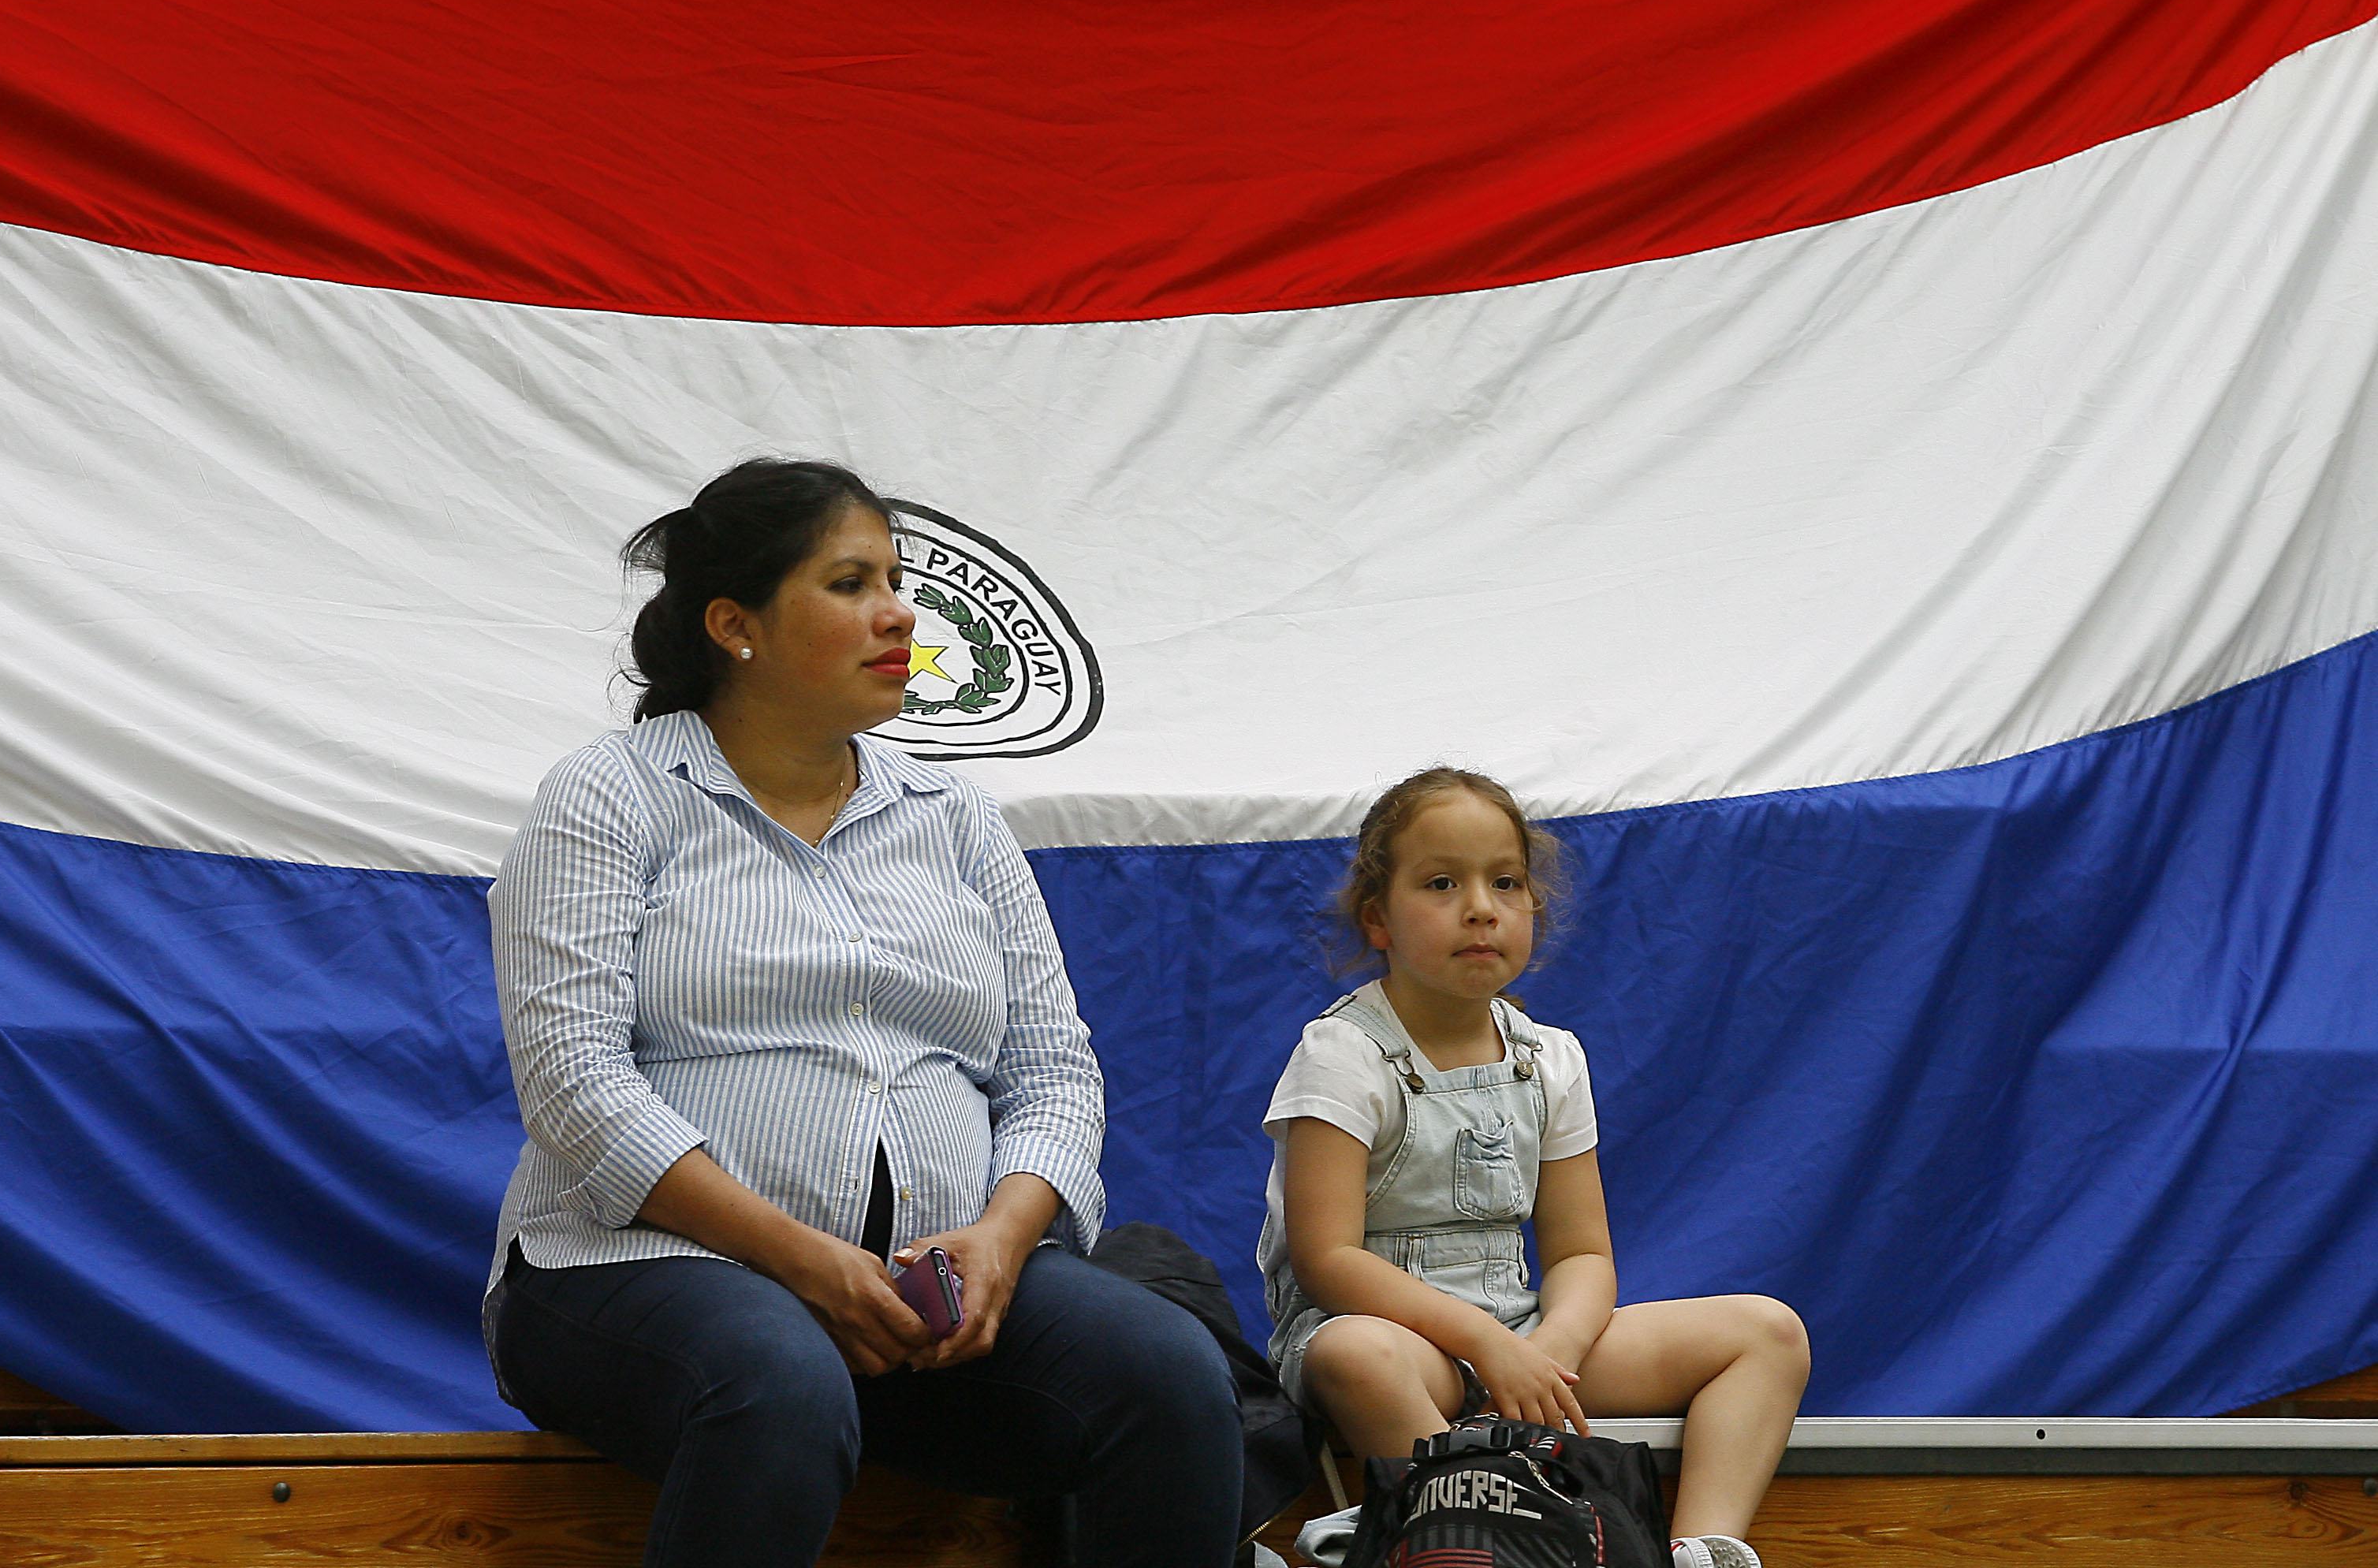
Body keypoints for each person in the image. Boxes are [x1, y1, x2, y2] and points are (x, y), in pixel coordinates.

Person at [483, 457, 1243, 1568]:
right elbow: (573, 1082)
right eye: (851, 583)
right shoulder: (609, 794)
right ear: (735, 625)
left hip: (928, 1308)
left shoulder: (957, 817)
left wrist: (1001, 1239)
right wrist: (802, 1260)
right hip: (628, 1273)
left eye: (895, 580)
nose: (900, 614)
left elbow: (1053, 1075)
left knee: (1171, 1376)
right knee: (779, 1379)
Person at [1259, 768, 1809, 1568]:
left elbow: (1582, 1252)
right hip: (1400, 1341)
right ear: (1377, 918)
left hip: (1518, 1331)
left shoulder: (1550, 1058)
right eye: (1441, 883)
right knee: (1357, 1356)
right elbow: (1328, 1259)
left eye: (1506, 882)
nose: (1480, 906)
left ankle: (1697, 1549)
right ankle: (1447, 1528)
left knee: (1768, 1333)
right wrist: (1486, 1345)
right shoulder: (1343, 1054)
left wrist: (1550, 1350)